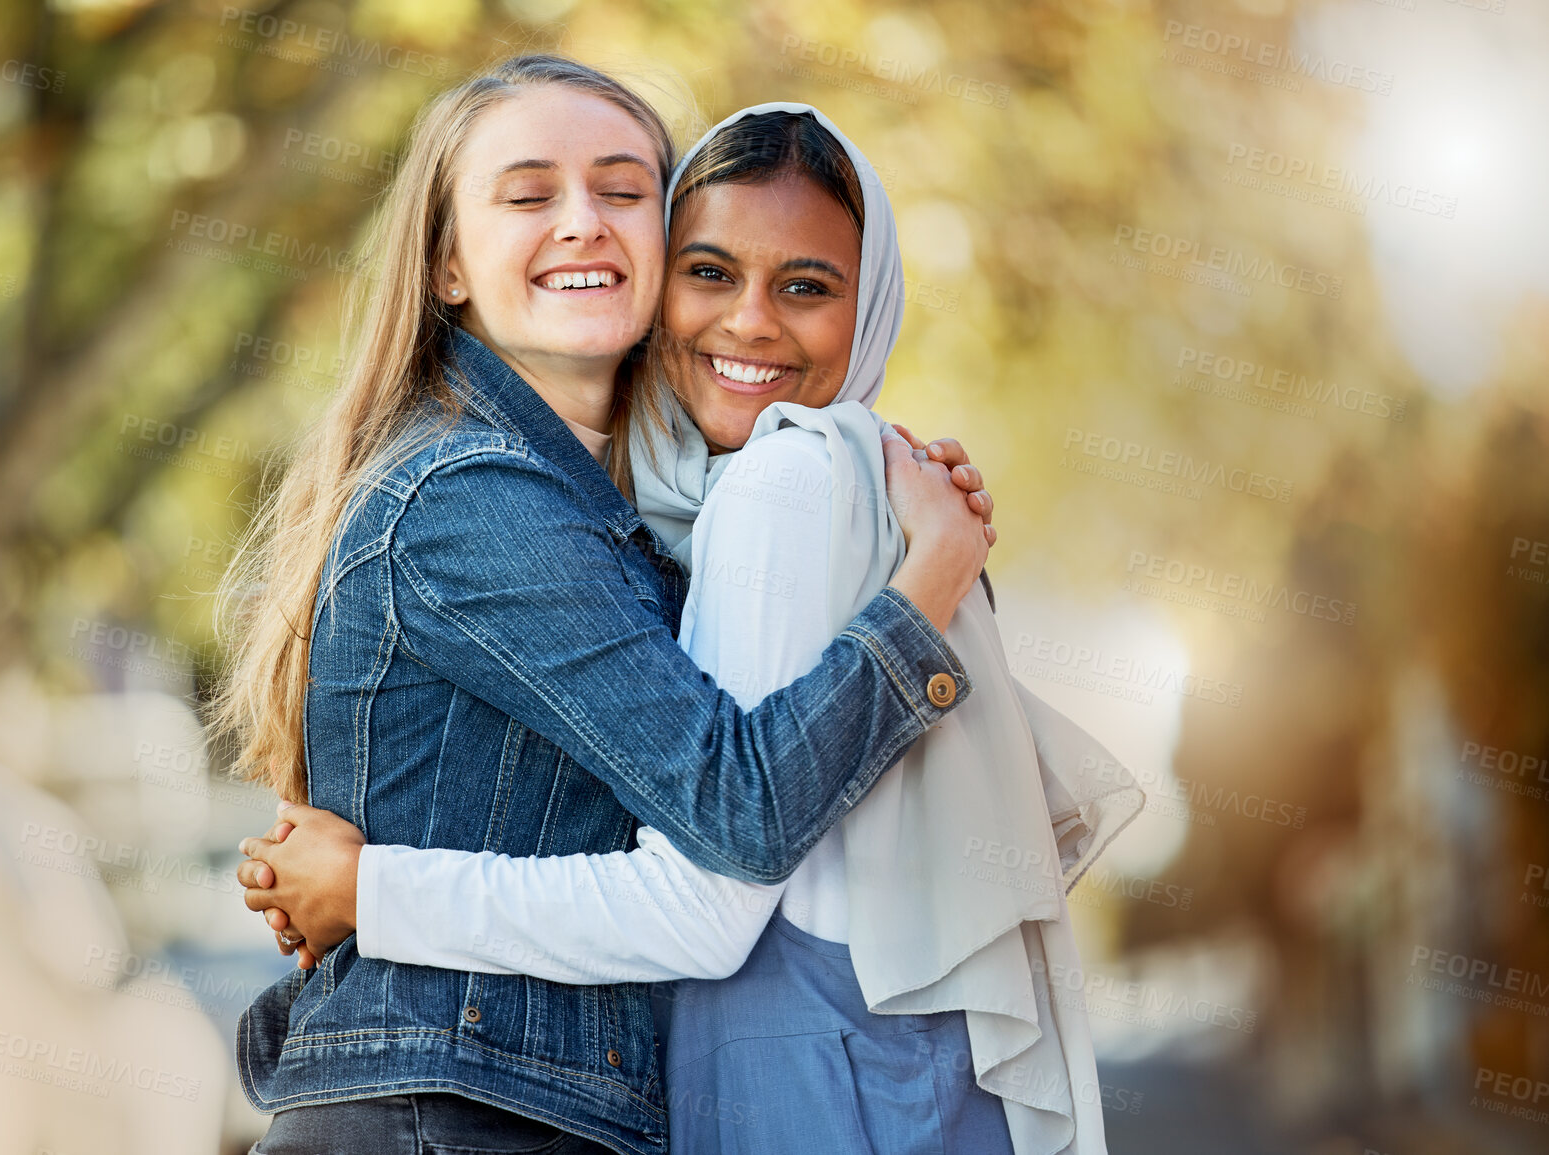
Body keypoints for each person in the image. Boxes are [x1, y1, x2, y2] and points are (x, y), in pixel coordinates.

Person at [240, 106, 1142, 1154]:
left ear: (874, 302)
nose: (752, 322)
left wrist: (370, 890)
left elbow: (714, 866)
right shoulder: (565, 499)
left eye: (807, 286)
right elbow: (721, 822)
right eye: (711, 272)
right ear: (446, 263)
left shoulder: (781, 485)